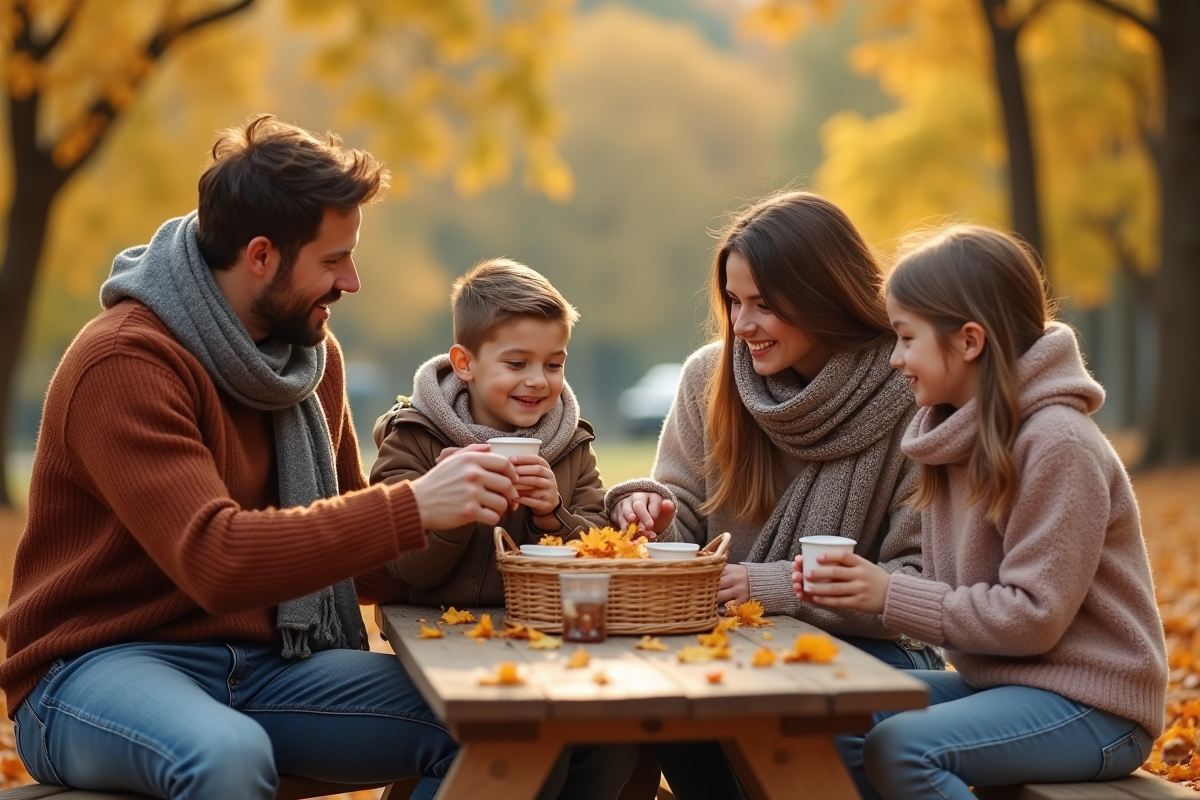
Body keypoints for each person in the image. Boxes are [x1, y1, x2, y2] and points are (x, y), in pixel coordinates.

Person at [0, 115, 527, 800]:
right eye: (333, 260)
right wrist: (413, 504)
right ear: (260, 257)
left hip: (267, 665)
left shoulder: (308, 361)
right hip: (93, 668)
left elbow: (364, 562)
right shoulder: (125, 361)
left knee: (499, 721)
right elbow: (214, 559)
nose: (353, 281)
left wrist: (477, 522)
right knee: (225, 755)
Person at [796, 225, 1168, 799]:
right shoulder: (951, 438)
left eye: (905, 338)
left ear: (968, 341)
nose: (894, 359)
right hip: (1002, 686)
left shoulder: (1057, 445)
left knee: (904, 748)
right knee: (830, 715)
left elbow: (1033, 616)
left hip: (1095, 706)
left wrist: (887, 594)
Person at [607, 191, 940, 799]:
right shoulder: (709, 378)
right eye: (734, 302)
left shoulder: (910, 394)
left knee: (777, 714)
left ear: (824, 296)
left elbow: (918, 580)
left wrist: (774, 587)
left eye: (764, 305)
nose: (742, 325)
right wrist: (650, 513)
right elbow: (684, 518)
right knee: (662, 710)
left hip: (879, 656)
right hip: (729, 651)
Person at [370, 257, 675, 799]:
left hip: (552, 644)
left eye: (554, 364)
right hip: (445, 644)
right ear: (464, 363)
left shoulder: (571, 445)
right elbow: (408, 565)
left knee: (615, 746)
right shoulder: (412, 436)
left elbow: (598, 553)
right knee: (528, 757)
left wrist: (551, 515)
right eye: (517, 363)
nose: (538, 381)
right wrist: (450, 505)